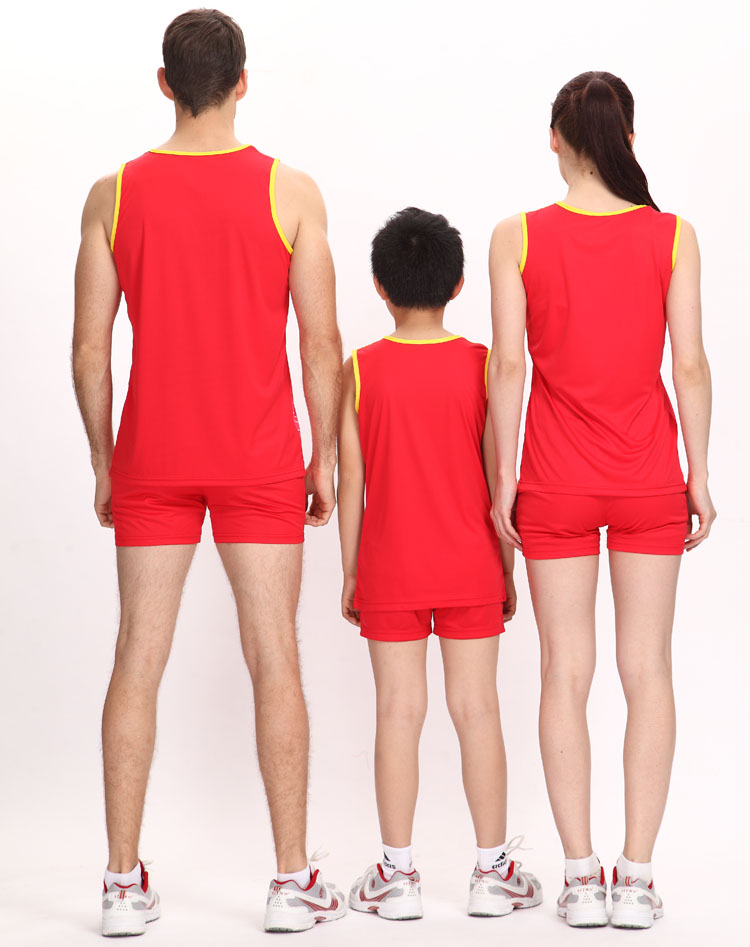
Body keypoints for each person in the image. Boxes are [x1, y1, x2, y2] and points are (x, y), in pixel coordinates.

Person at [72, 9, 345, 936]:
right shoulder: (291, 191)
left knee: (135, 658)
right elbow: (320, 344)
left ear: (164, 84)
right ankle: (292, 880)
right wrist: (324, 456)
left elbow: (89, 350)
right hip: (258, 457)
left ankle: (120, 884)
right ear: (242, 82)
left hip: (152, 456)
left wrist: (105, 461)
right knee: (276, 659)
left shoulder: (113, 194)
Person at [487, 71, 715, 930]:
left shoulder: (516, 236)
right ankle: (639, 876)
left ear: (555, 137)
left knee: (564, 671)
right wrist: (698, 471)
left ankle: (581, 877)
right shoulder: (672, 235)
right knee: (647, 669)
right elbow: (689, 363)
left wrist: (501, 479)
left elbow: (508, 366)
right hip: (649, 474)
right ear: (628, 136)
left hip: (554, 480)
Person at [338, 207, 542, 921]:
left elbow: (352, 482)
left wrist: (352, 571)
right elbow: (498, 478)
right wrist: (506, 569)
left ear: (379, 286)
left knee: (398, 711)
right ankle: (492, 872)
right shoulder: (485, 366)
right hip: (471, 564)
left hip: (389, 567)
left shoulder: (358, 370)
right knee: (477, 707)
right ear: (458, 285)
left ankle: (396, 877)